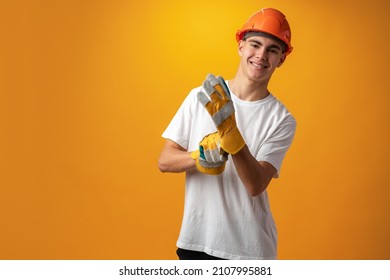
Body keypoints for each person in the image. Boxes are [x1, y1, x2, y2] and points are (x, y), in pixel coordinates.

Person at [158, 7, 296, 260]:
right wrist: (200, 157)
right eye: (255, 45)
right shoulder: (203, 96)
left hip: (249, 250)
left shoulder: (282, 119)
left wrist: (230, 133)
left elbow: (256, 184)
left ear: (281, 59)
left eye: (272, 50)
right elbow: (165, 161)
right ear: (241, 46)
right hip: (195, 241)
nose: (261, 55)